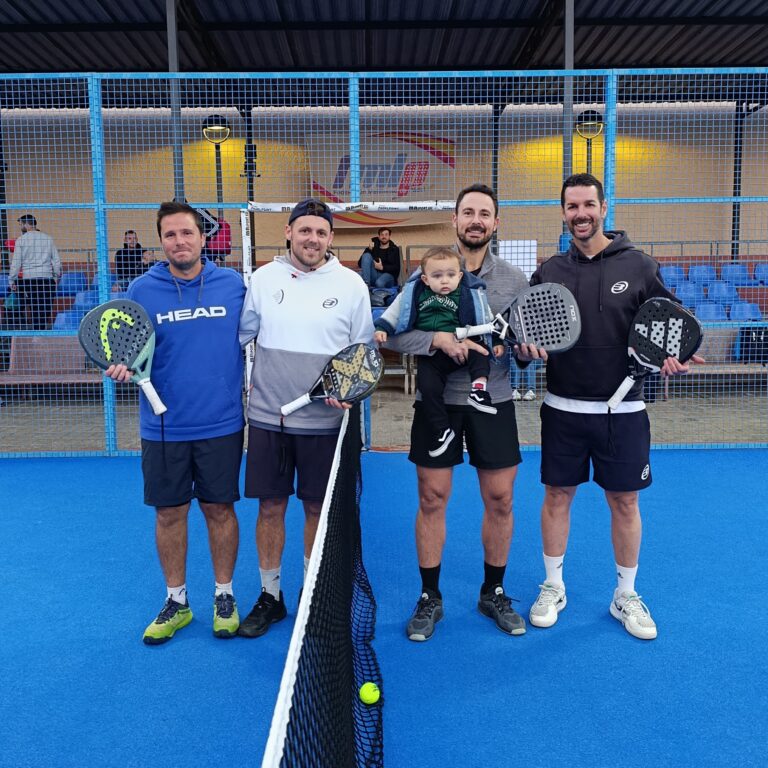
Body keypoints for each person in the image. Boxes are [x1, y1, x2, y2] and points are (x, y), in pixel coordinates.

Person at [522, 173, 704, 640]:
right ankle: (553, 586)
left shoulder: (639, 266)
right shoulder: (549, 271)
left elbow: (667, 324)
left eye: (588, 204)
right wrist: (525, 350)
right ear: (563, 213)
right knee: (557, 496)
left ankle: (625, 593)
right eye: (571, 206)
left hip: (623, 412)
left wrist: (674, 355)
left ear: (603, 208)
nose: (580, 214)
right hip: (563, 408)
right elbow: (530, 337)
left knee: (624, 501)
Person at [383, 183, 532, 641]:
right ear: (454, 219)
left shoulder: (513, 279)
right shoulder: (424, 276)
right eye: (468, 212)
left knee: (501, 499)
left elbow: (520, 347)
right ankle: (430, 596)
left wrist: (524, 349)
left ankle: (493, 590)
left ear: (495, 223)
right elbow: (394, 336)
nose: (475, 220)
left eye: (484, 213)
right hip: (439, 404)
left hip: (495, 400)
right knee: (431, 498)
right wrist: (437, 339)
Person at [105, 201, 246, 644]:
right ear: (161, 240)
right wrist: (120, 367)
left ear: (203, 238)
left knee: (220, 510)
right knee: (170, 513)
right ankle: (177, 601)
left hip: (222, 422)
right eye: (170, 235)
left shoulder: (234, 285)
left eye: (187, 233)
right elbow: (123, 348)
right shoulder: (142, 289)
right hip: (163, 427)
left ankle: (224, 595)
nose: (179, 242)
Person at [237, 197, 374, 638]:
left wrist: (346, 393)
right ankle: (270, 595)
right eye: (304, 230)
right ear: (289, 232)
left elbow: (362, 356)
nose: (312, 239)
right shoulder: (262, 279)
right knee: (270, 506)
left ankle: (312, 596)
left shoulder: (352, 285)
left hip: (325, 425)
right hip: (268, 421)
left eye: (320, 232)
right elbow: (242, 336)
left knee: (317, 508)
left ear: (330, 238)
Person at [374, 246, 502, 457]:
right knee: (427, 387)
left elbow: (487, 319)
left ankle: (479, 390)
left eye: (451, 275)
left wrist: (496, 340)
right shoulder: (414, 293)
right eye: (437, 276)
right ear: (425, 279)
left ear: (460, 276)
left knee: (481, 353)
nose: (445, 281)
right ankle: (442, 430)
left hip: (464, 342)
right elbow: (395, 313)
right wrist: (382, 328)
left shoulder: (471, 293)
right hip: (432, 354)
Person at [8, 214, 61, 330]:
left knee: (33, 307)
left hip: (29, 279)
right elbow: (56, 261)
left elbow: (16, 263)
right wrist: (55, 277)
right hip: (46, 278)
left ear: (26, 224)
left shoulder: (21, 240)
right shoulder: (48, 238)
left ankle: (34, 335)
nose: (21, 227)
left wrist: (12, 279)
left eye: (21, 224)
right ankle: (41, 333)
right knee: (45, 308)